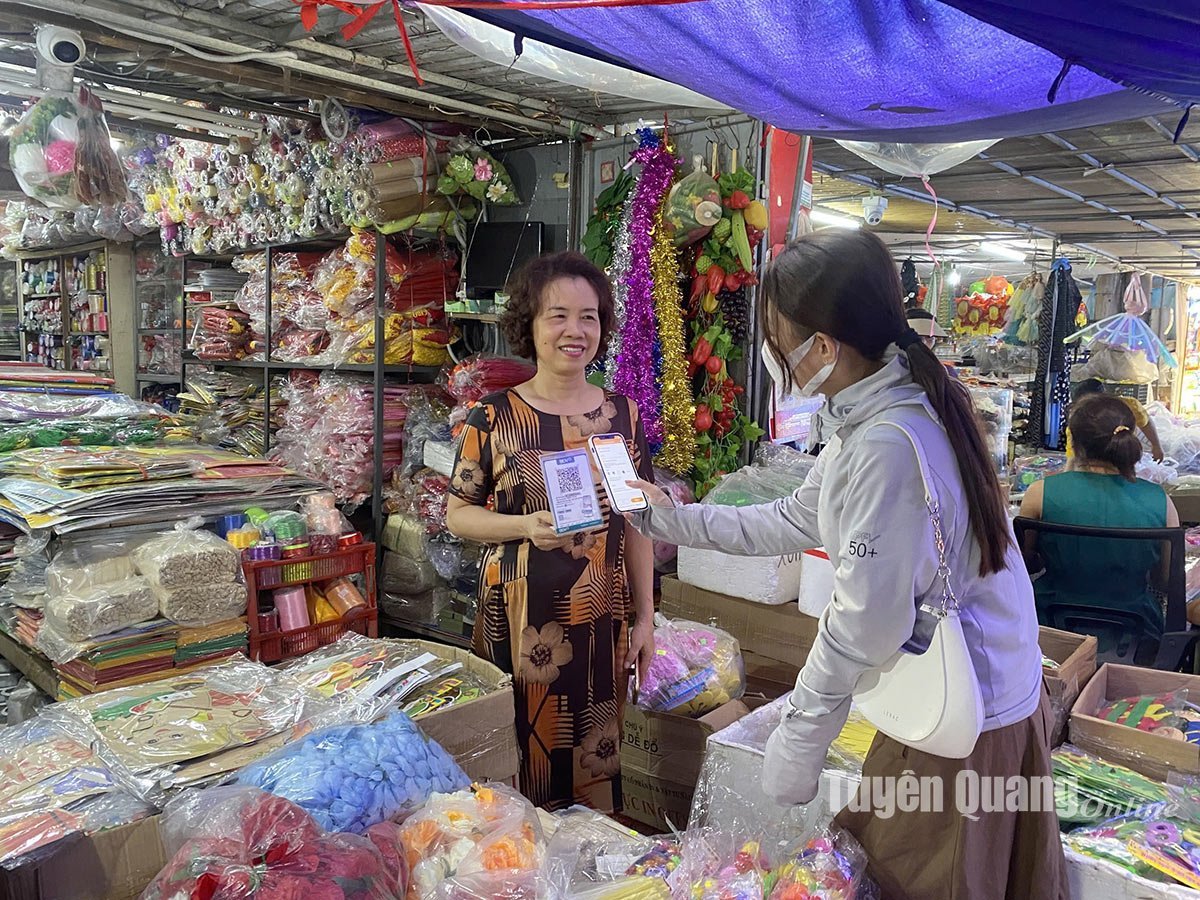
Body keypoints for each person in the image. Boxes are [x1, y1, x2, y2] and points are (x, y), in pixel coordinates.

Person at [627, 230, 1066, 899]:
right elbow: (791, 518)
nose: (779, 361)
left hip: (963, 721)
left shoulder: (887, 441)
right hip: (971, 701)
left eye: (780, 343)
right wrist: (668, 518)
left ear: (824, 347)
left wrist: (799, 737)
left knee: (912, 877)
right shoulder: (878, 413)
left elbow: (864, 623)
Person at [446, 251, 655, 813]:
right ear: (530, 325)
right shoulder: (492, 415)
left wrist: (646, 617)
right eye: (557, 315)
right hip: (518, 618)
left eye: (589, 317)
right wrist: (521, 526)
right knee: (518, 763)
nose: (575, 331)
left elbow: (639, 523)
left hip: (599, 615)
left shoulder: (623, 414)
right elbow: (457, 512)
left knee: (593, 753)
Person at [1019, 394, 1180, 655]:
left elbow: (1024, 566)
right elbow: (1166, 580)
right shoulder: (1160, 501)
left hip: (1049, 629)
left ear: (1074, 440)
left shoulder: (1040, 493)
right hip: (1136, 637)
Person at [1068, 378, 1163, 462]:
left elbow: (1146, 423)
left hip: (1120, 456)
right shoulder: (1077, 416)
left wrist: (1156, 446)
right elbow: (1072, 453)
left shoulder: (1129, 406)